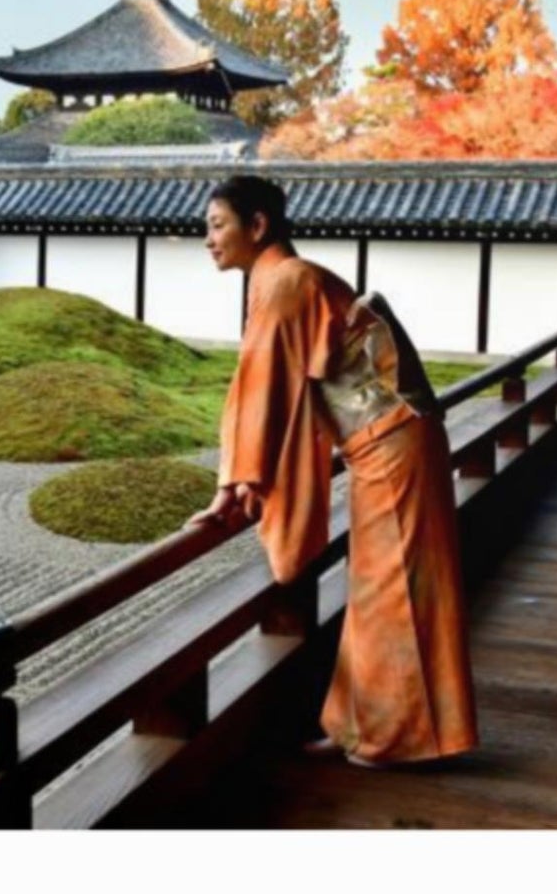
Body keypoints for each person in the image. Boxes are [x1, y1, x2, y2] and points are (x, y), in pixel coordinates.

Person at [188, 174, 479, 767]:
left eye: (217, 225)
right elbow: (268, 387)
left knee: (389, 590)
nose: (208, 240)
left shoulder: (289, 282)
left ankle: (395, 736)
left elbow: (259, 390)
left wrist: (232, 482)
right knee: (377, 587)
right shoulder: (286, 279)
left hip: (391, 443)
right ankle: (358, 726)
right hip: (386, 443)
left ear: (258, 226)